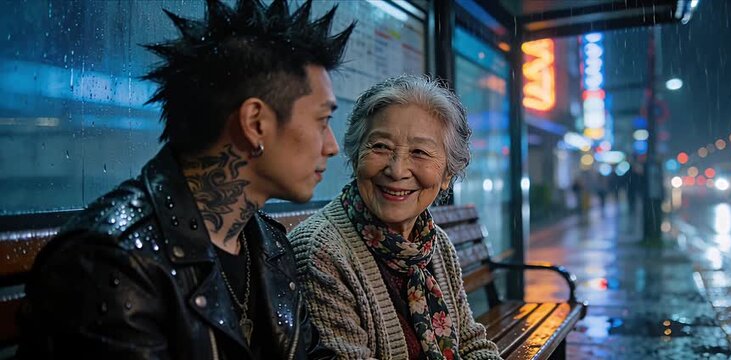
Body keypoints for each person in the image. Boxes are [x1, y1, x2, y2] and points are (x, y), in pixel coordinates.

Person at [16, 0, 353, 358]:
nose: (331, 146)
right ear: (255, 123)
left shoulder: (266, 243)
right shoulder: (110, 262)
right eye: (322, 120)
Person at [289, 75, 502, 359]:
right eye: (380, 146)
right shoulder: (320, 252)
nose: (397, 170)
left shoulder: (434, 244)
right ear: (355, 155)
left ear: (447, 174)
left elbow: (469, 340)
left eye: (420, 152)